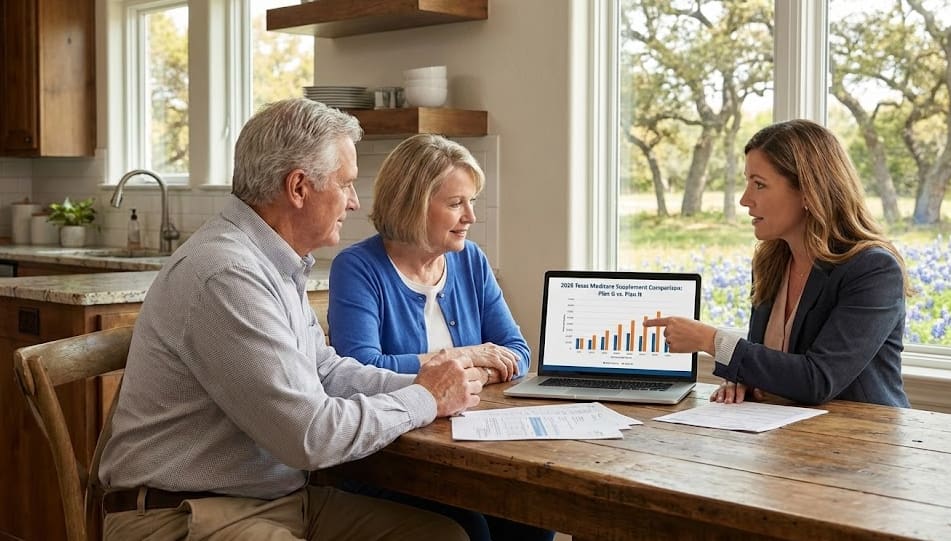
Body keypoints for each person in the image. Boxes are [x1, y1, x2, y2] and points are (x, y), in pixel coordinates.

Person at [97, 98, 481, 541]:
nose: (355, 202)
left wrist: (426, 380)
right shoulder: (227, 274)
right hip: (185, 515)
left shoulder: (276, 262)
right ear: (299, 188)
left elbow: (326, 371)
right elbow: (310, 435)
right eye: (347, 184)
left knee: (444, 536)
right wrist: (425, 398)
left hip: (276, 503)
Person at [327, 134, 552, 541]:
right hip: (393, 457)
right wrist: (466, 357)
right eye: (455, 204)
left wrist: (471, 376)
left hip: (472, 449)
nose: (470, 217)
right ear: (412, 205)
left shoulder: (470, 260)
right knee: (472, 530)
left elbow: (518, 352)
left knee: (533, 518)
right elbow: (360, 368)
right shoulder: (357, 267)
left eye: (472, 202)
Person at [646, 119, 911, 407]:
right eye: (747, 182)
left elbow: (817, 380)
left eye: (759, 184)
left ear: (808, 192)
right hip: (785, 436)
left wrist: (712, 341)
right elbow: (770, 362)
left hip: (865, 441)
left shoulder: (873, 270)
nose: (745, 200)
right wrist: (741, 378)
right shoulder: (770, 261)